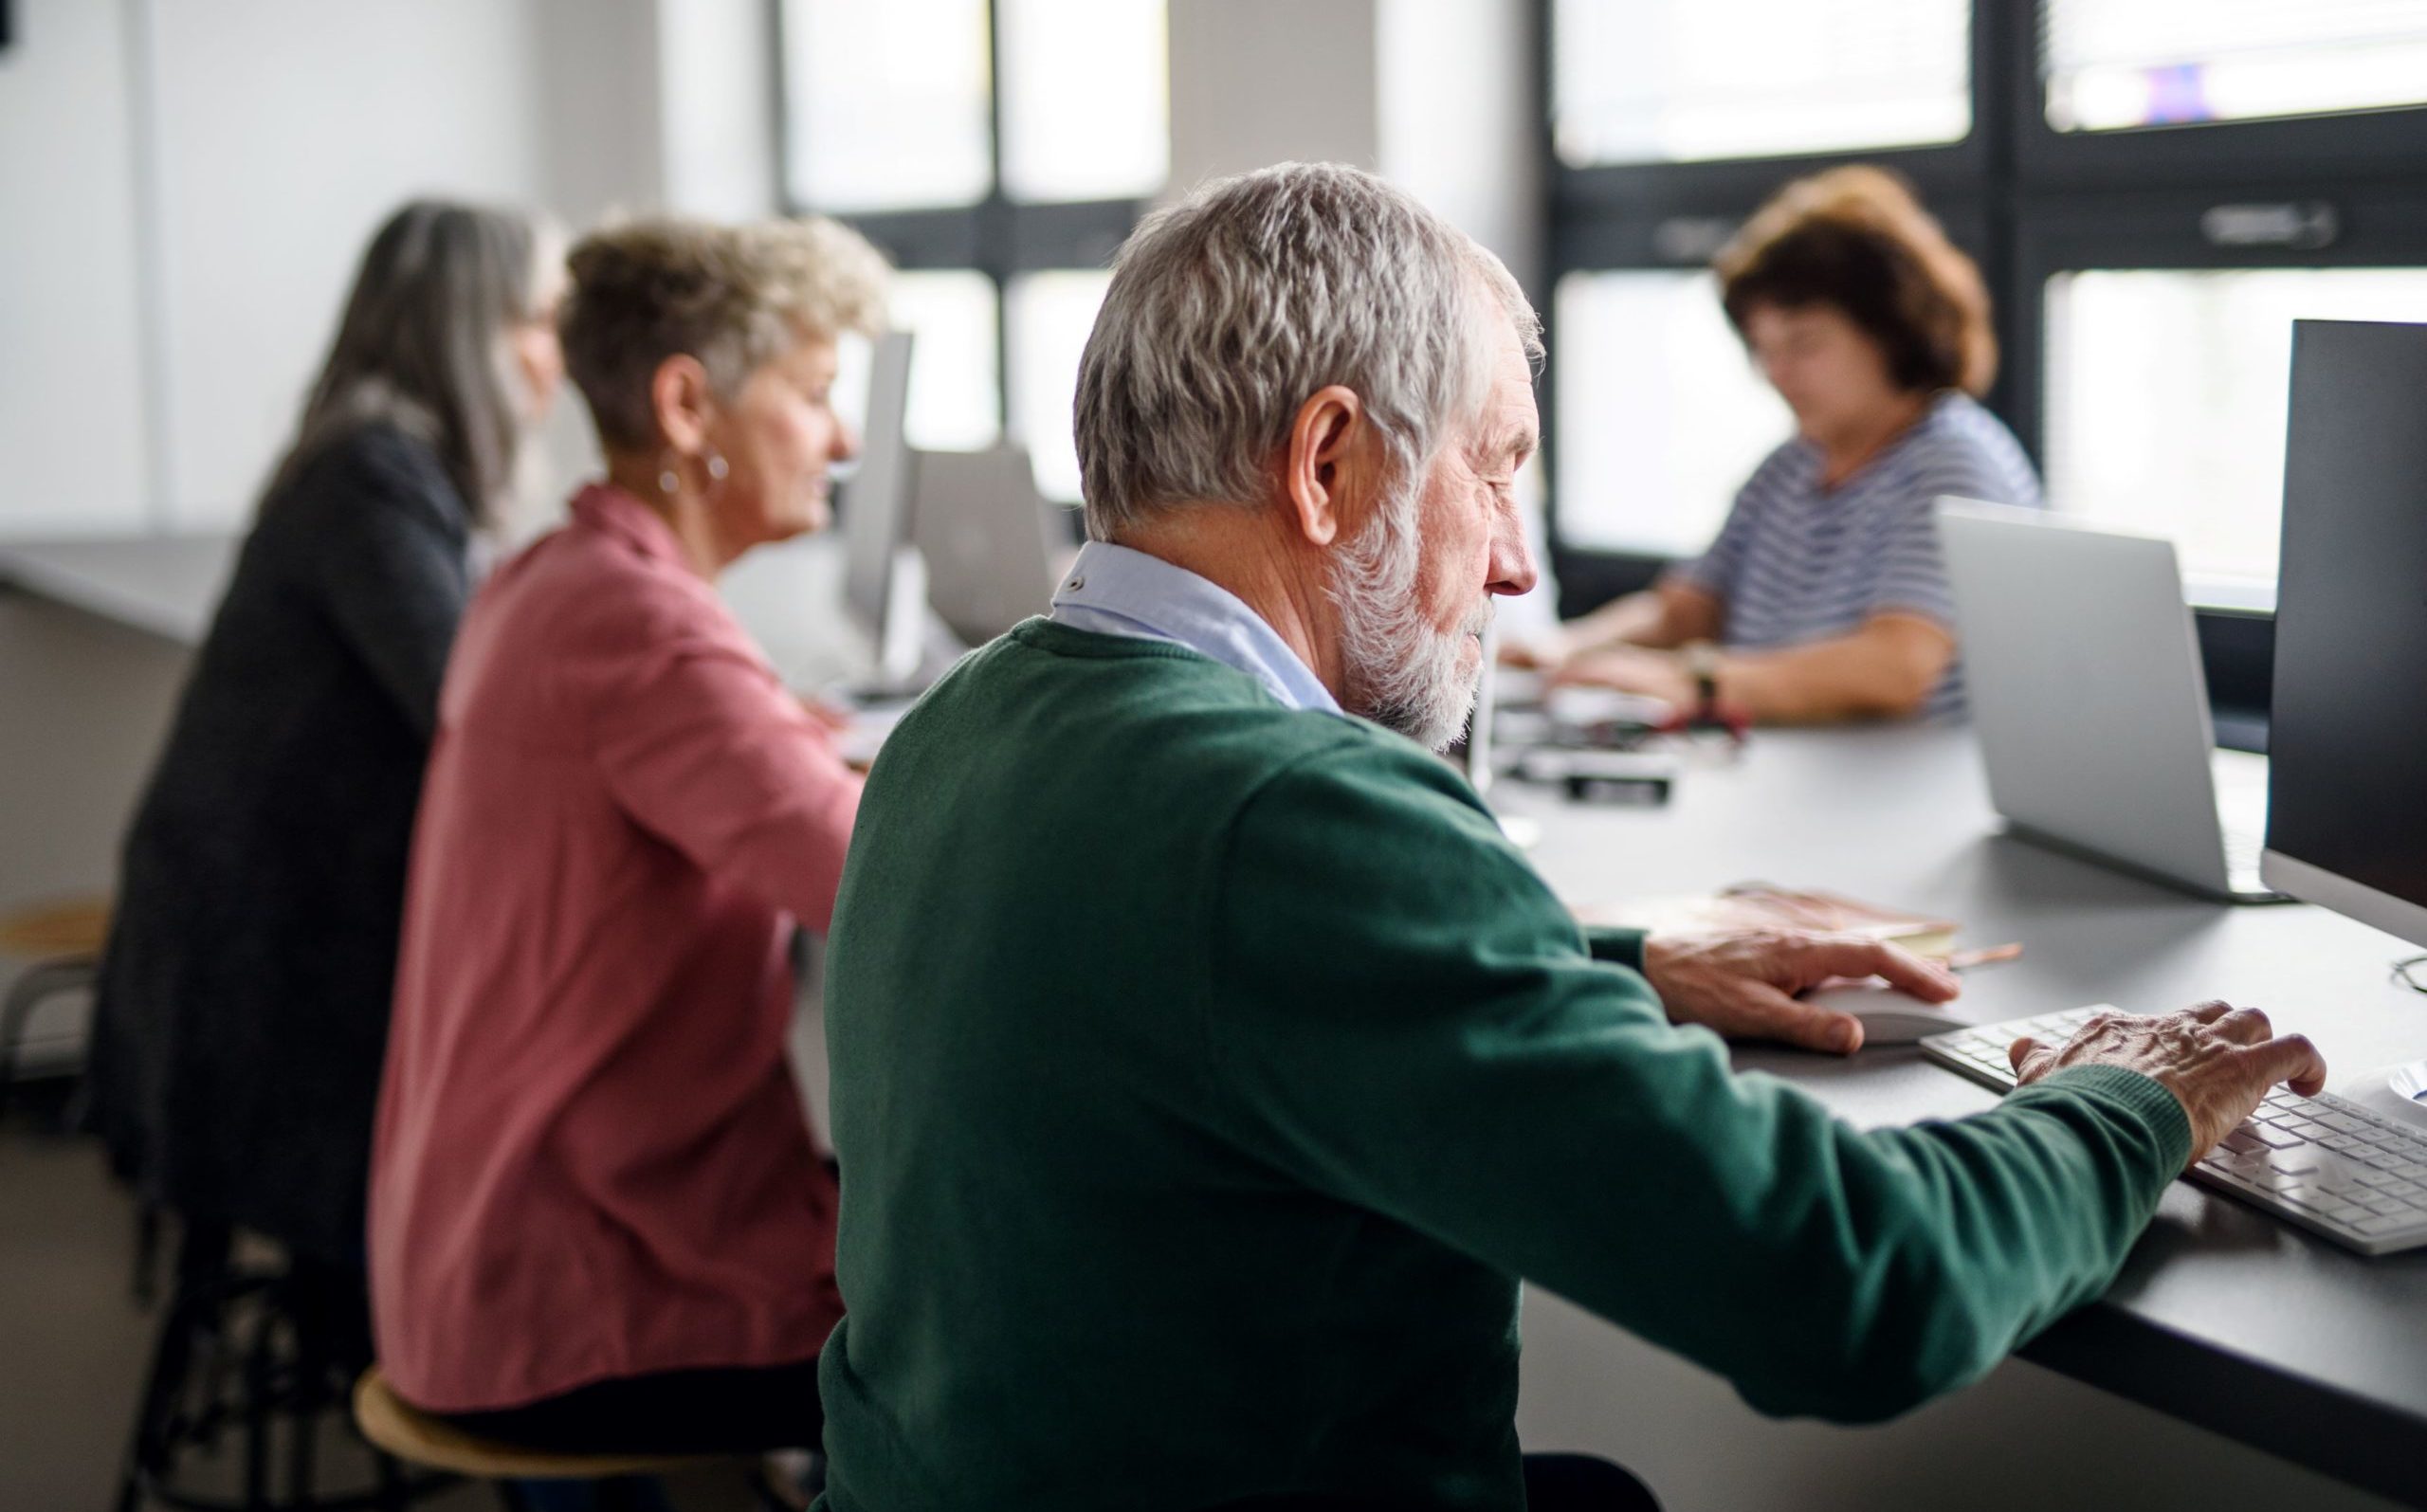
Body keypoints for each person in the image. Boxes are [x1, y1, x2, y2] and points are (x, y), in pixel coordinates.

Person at [813, 163, 2327, 1511]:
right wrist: (2128, 1098)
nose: (1521, 564)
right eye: (1495, 466)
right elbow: (1853, 1288)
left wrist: (1614, 957)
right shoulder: (1305, 819)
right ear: (1327, 464)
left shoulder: (962, 725)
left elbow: (1173, 980)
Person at [367, 214, 885, 1457]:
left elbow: (725, 742)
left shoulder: (551, 579)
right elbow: (899, 879)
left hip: (474, 1255)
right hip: (570, 1295)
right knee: (1022, 1324)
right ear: (687, 404)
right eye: (816, 395)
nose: (846, 438)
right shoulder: (641, 633)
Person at [84, 200, 562, 1284]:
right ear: (464, 328)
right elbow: (463, 702)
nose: (556, 356)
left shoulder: (373, 465)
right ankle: (510, 1385)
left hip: (252, 952)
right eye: (537, 320)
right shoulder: (369, 476)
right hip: (262, 990)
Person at [1508, 166, 2039, 722]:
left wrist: (1695, 682)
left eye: (1803, 344)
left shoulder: (1955, 459)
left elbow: (1895, 667)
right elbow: (1684, 612)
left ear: (1890, 330)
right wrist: (1559, 651)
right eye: (1763, 349)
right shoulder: (1790, 466)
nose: (1776, 372)